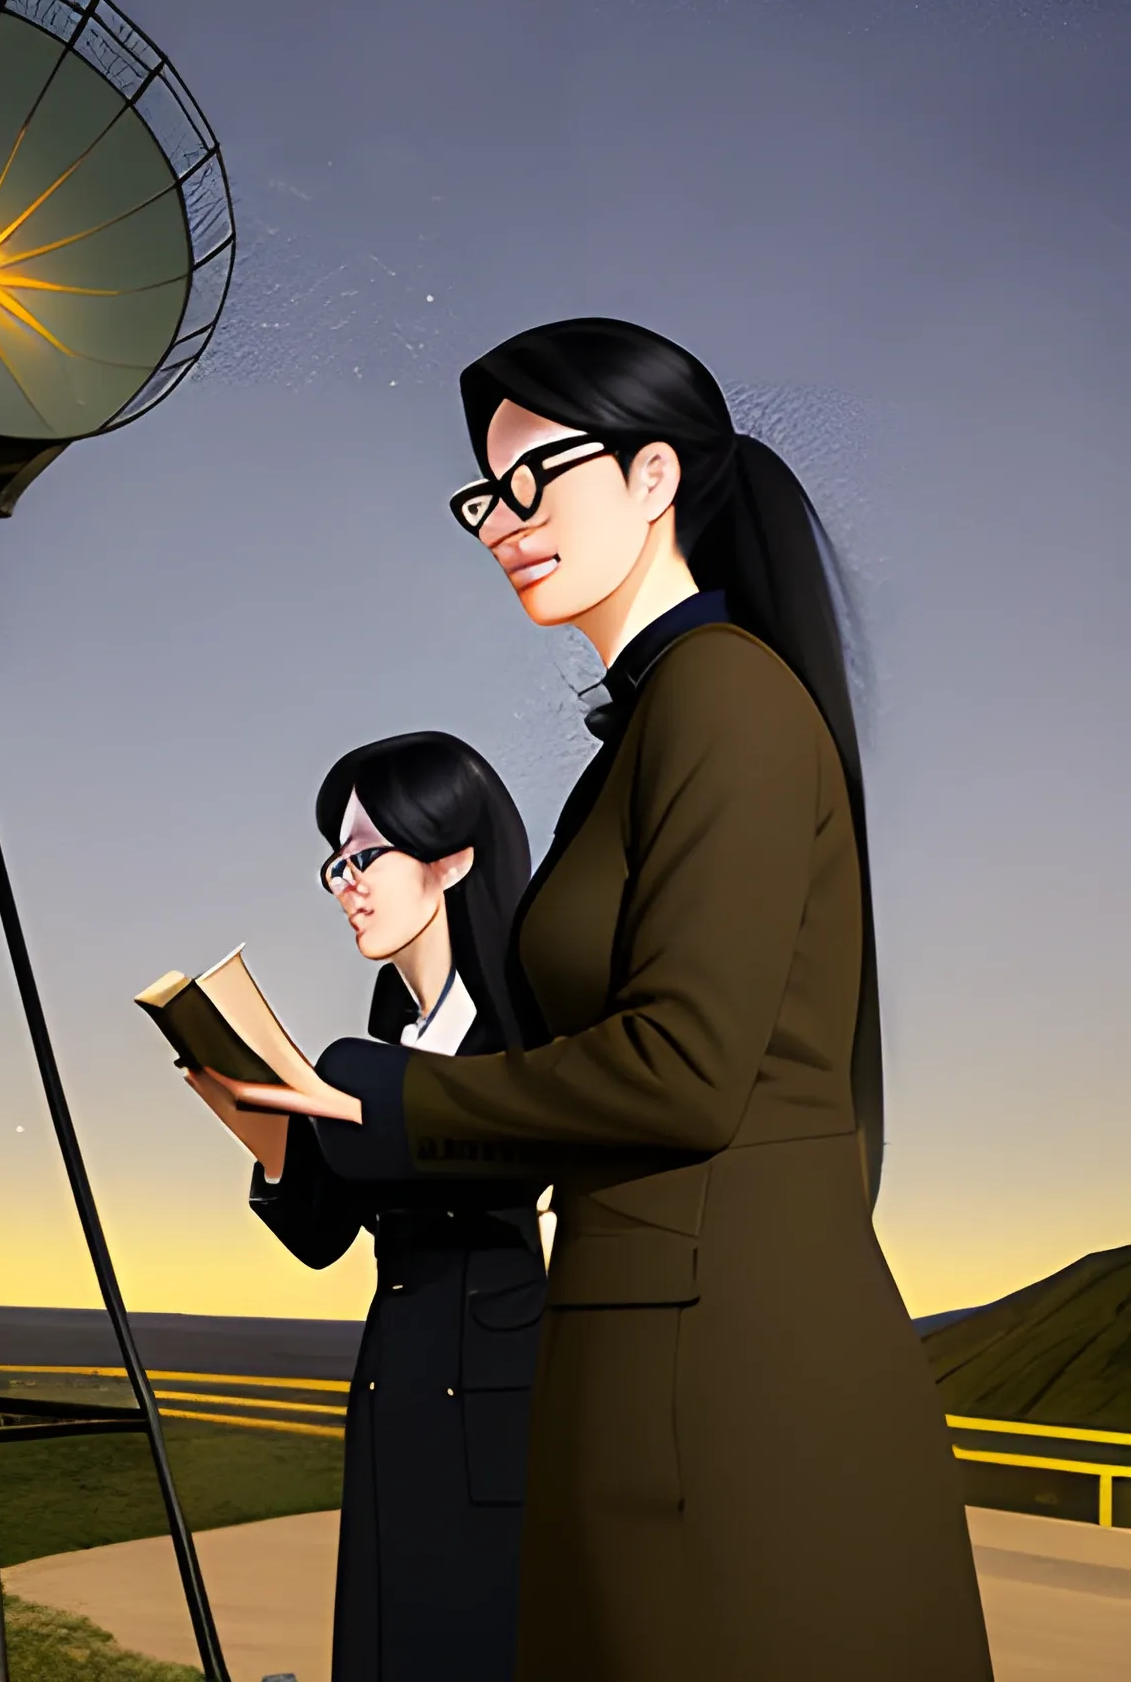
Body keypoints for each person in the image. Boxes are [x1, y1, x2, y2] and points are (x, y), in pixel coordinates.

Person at [217, 320, 991, 1680]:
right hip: (653, 1343)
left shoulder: (725, 701)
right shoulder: (655, 720)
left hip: (727, 1364)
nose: (504, 521)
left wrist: (378, 1097)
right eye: (484, 496)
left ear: (653, 477)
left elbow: (685, 1070)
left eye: (538, 478)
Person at [188, 731, 548, 1682]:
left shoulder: (531, 1017)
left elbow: (514, 1170)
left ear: (453, 856)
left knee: (478, 1640)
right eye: (335, 864)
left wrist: (350, 1094)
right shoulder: (392, 1028)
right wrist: (263, 1129)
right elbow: (321, 1236)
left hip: (499, 1407)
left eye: (365, 856)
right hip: (397, 1390)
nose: (345, 883)